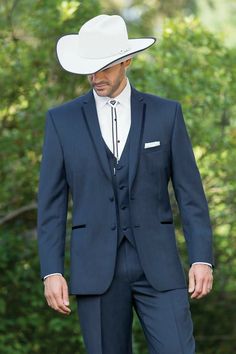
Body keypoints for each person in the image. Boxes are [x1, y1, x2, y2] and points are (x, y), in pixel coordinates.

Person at [37, 14, 214, 354]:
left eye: (104, 67)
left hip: (159, 267)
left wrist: (202, 259)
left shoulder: (166, 114)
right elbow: (51, 205)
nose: (95, 77)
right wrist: (51, 271)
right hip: (95, 270)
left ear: (127, 60)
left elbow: (191, 196)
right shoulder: (61, 121)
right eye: (90, 67)